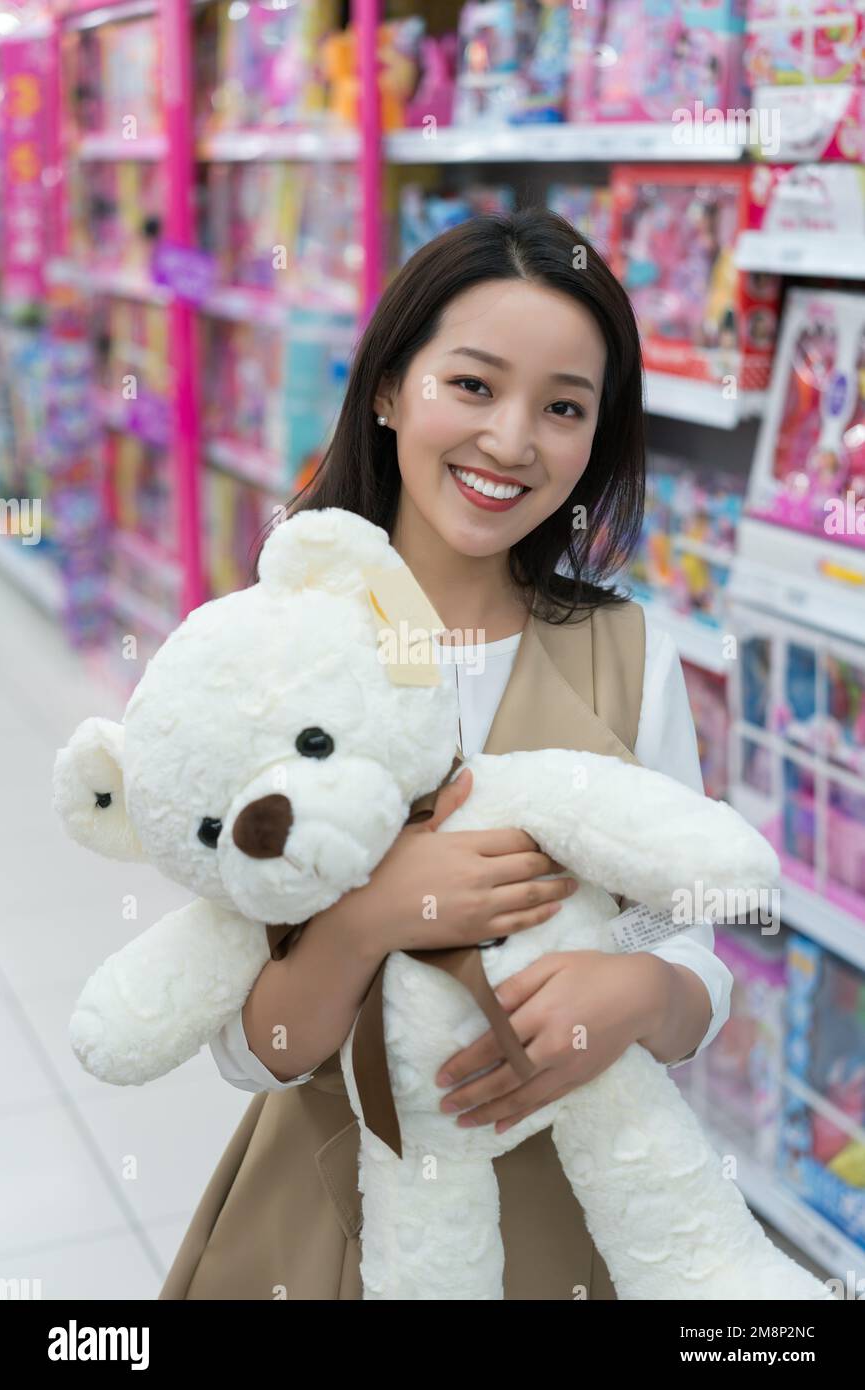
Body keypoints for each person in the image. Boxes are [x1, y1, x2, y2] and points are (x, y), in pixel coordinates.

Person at [160, 207, 733, 1301]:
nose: (513, 441)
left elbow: (692, 921)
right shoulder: (268, 650)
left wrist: (647, 991)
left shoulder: (632, 655)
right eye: (471, 385)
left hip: (564, 1220)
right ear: (388, 389)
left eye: (563, 406)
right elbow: (249, 1045)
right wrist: (378, 914)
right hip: (329, 1212)